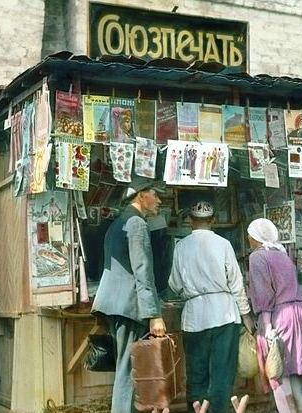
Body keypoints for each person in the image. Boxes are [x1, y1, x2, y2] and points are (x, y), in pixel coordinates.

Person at [168, 201, 254, 413]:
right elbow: (236, 282)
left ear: (190, 221)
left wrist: (191, 291)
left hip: (194, 317)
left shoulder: (181, 246)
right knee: (222, 376)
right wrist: (246, 316)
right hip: (224, 315)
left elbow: (174, 284)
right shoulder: (223, 244)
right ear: (213, 221)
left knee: (196, 375)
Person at [91, 176, 167, 413]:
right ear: (141, 195)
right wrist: (154, 314)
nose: (159, 200)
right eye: (155, 194)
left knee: (126, 369)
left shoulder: (119, 222)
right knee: (129, 370)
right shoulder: (137, 224)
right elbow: (142, 271)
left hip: (114, 304)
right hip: (127, 305)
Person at [246, 218, 302, 413]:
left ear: (256, 238)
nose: (248, 239)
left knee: (276, 370)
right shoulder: (282, 254)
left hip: (279, 315)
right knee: (290, 369)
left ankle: (287, 410)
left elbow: (264, 294)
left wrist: (266, 326)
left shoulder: (257, 257)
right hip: (298, 313)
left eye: (250, 236)